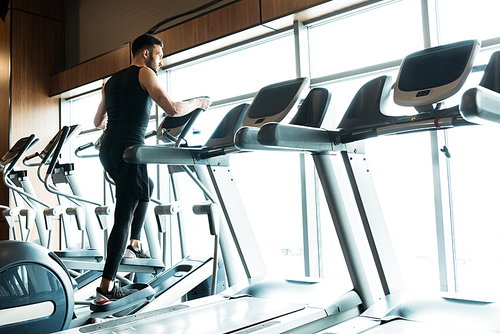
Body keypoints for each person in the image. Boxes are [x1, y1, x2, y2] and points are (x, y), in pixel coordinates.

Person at [93, 34, 211, 304]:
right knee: (123, 214)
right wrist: (198, 102)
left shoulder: (109, 82)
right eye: (159, 55)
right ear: (145, 54)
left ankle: (134, 244)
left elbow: (98, 121)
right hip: (129, 150)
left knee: (146, 188)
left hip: (108, 150)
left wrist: (121, 117)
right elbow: (171, 109)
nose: (161, 61)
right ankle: (106, 289)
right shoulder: (145, 72)